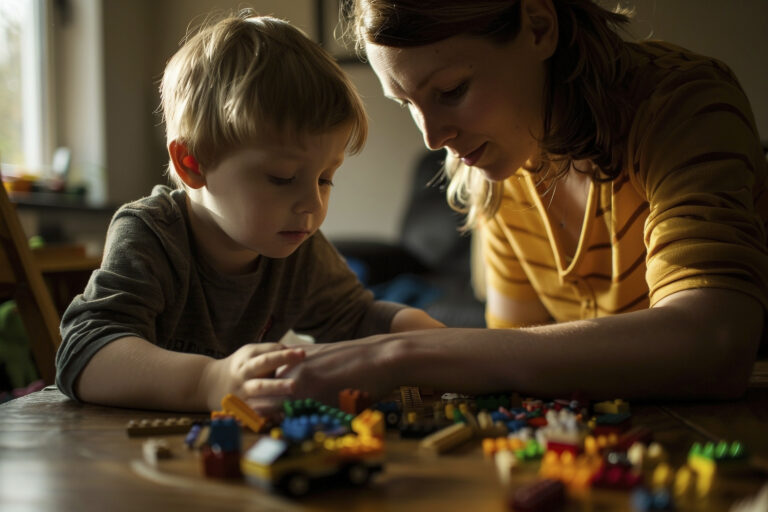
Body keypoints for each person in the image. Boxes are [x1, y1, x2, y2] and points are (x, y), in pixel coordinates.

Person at [278, 0, 768, 405]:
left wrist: (403, 354)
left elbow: (716, 346)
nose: (431, 136)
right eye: (407, 103)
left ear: (538, 26)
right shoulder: (493, 169)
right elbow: (518, 360)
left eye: (451, 90)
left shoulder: (684, 105)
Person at [54, 11, 443, 413]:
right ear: (193, 163)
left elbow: (358, 317)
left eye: (326, 178)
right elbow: (84, 352)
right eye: (281, 177)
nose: (313, 203)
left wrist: (420, 335)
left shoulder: (298, 250)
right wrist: (208, 382)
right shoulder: (151, 234)